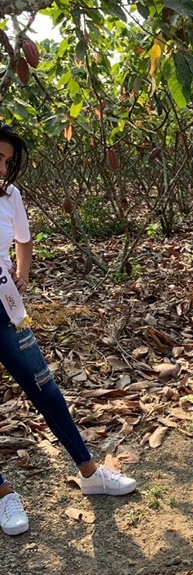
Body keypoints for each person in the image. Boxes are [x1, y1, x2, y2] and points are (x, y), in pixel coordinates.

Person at [0, 124, 136, 537]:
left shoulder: (10, 196)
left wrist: (21, 274)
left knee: (45, 388)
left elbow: (23, 240)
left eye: (7, 160)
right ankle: (4, 494)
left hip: (4, 306)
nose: (3, 166)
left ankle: (89, 470)